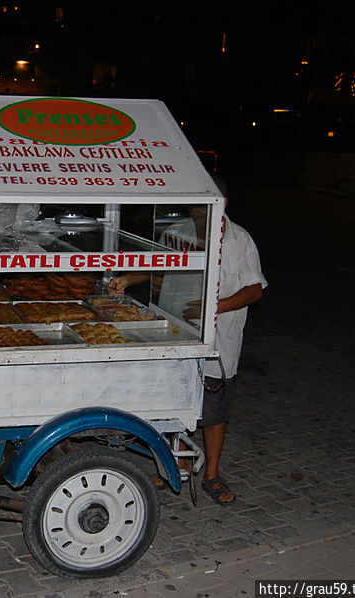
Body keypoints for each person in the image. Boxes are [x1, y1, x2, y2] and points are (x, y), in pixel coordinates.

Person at [109, 187, 266, 505]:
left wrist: (213, 308)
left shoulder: (239, 240)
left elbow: (254, 290)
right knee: (173, 397)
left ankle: (212, 474)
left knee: (214, 407)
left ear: (222, 202)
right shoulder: (175, 231)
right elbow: (157, 265)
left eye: (204, 203)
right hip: (175, 329)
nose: (197, 210)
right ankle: (175, 463)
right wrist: (127, 279)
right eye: (194, 203)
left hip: (218, 337)